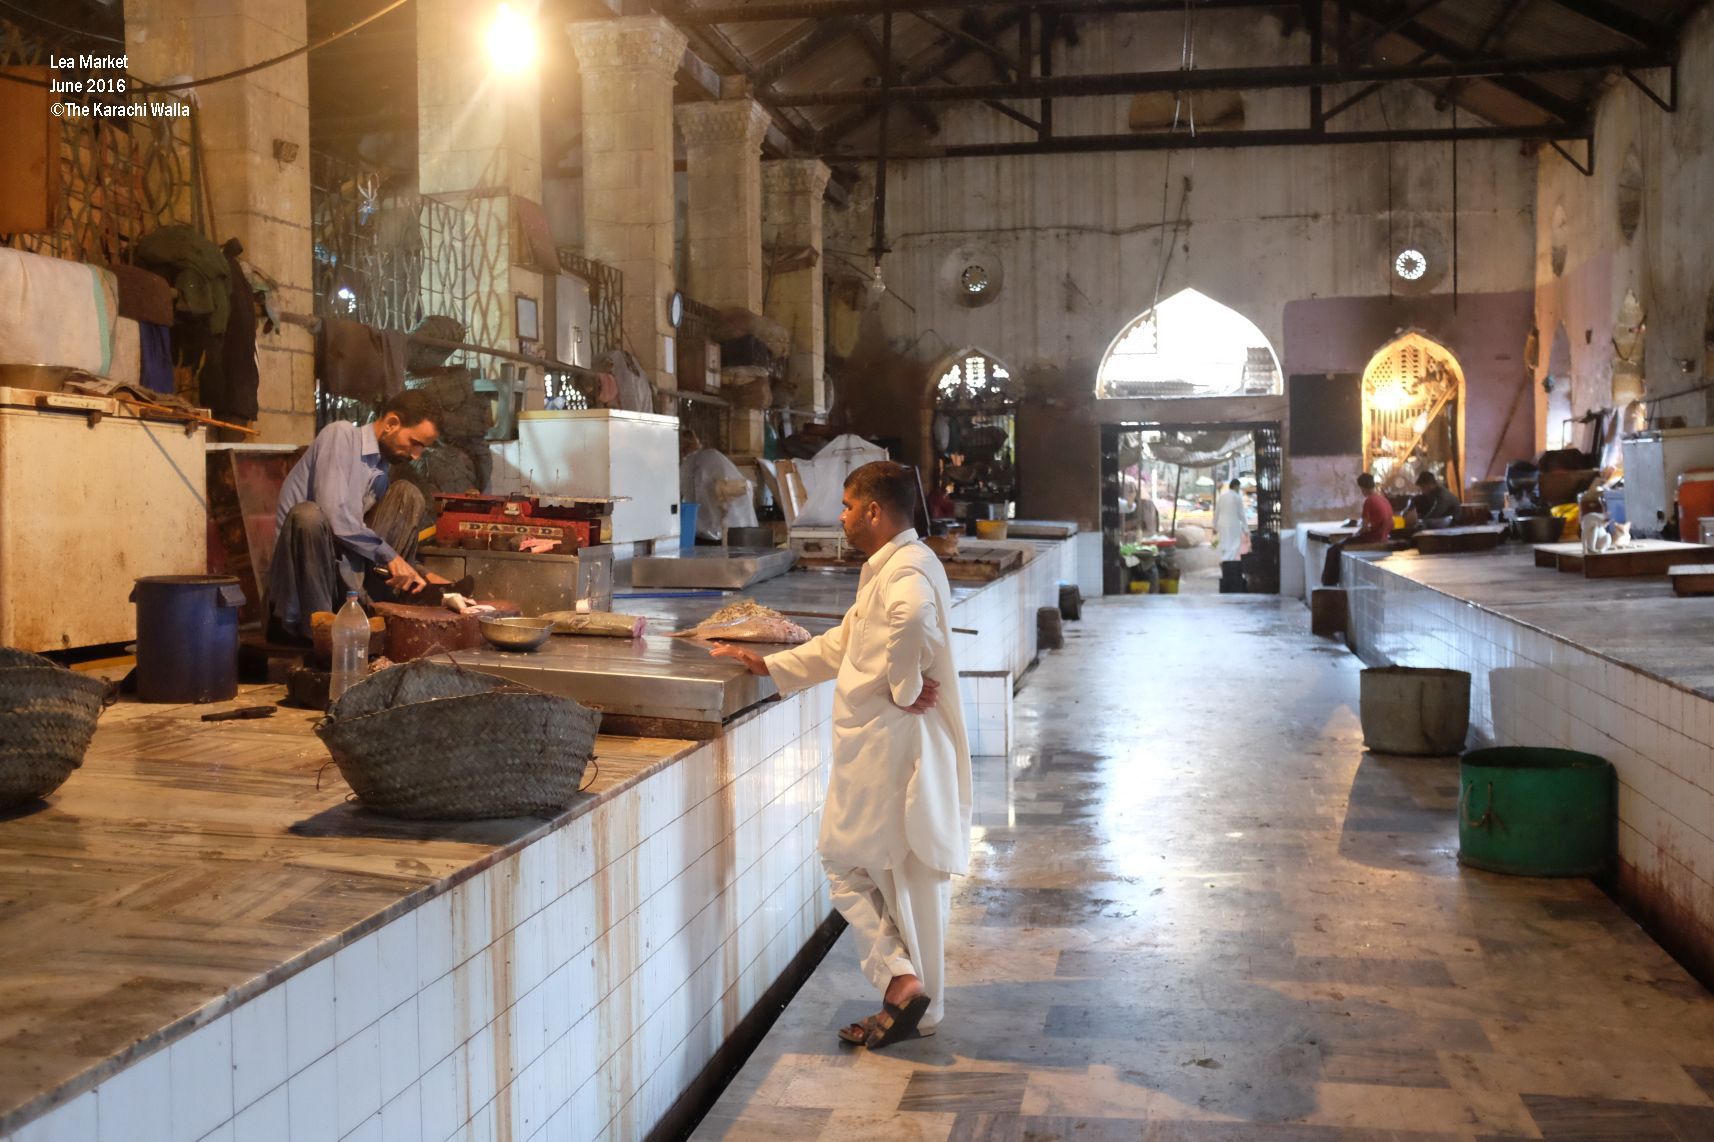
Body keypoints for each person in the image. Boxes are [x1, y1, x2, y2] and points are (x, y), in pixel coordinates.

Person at [708, 461, 971, 1050]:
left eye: (849, 506)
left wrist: (904, 686)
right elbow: (847, 644)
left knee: (847, 863)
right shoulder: (894, 565)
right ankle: (914, 997)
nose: (842, 517)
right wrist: (770, 664)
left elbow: (912, 620)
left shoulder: (905, 570)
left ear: (875, 511)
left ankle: (903, 982)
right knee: (898, 875)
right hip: (890, 751)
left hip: (892, 751)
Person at [268, 390, 447, 641]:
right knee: (308, 516)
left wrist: (421, 574)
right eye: (415, 442)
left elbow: (367, 539)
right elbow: (335, 518)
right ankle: (319, 633)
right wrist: (389, 556)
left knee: (407, 495)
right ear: (392, 423)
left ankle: (379, 615)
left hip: (343, 582)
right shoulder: (340, 435)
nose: (416, 455)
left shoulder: (380, 471)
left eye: (422, 448)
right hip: (302, 583)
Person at [680, 433, 759, 543]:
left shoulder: (693, 463)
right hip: (724, 529)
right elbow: (742, 487)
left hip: (708, 530)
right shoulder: (710, 457)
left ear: (683, 449)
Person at [1321, 472, 1395, 587]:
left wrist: (1356, 533)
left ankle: (1329, 584)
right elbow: (1391, 523)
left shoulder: (1369, 501)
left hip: (1371, 539)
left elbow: (1365, 528)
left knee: (1333, 550)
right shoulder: (1384, 500)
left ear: (1362, 488)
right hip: (1383, 538)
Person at [1213, 478, 1248, 563]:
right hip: (1233, 525)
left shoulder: (1222, 497)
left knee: (1225, 544)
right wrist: (1246, 529)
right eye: (1239, 488)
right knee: (1234, 545)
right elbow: (1241, 515)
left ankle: (1225, 563)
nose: (1239, 490)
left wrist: (1214, 526)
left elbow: (1216, 512)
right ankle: (1227, 564)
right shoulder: (1237, 497)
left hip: (1222, 524)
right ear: (1236, 486)